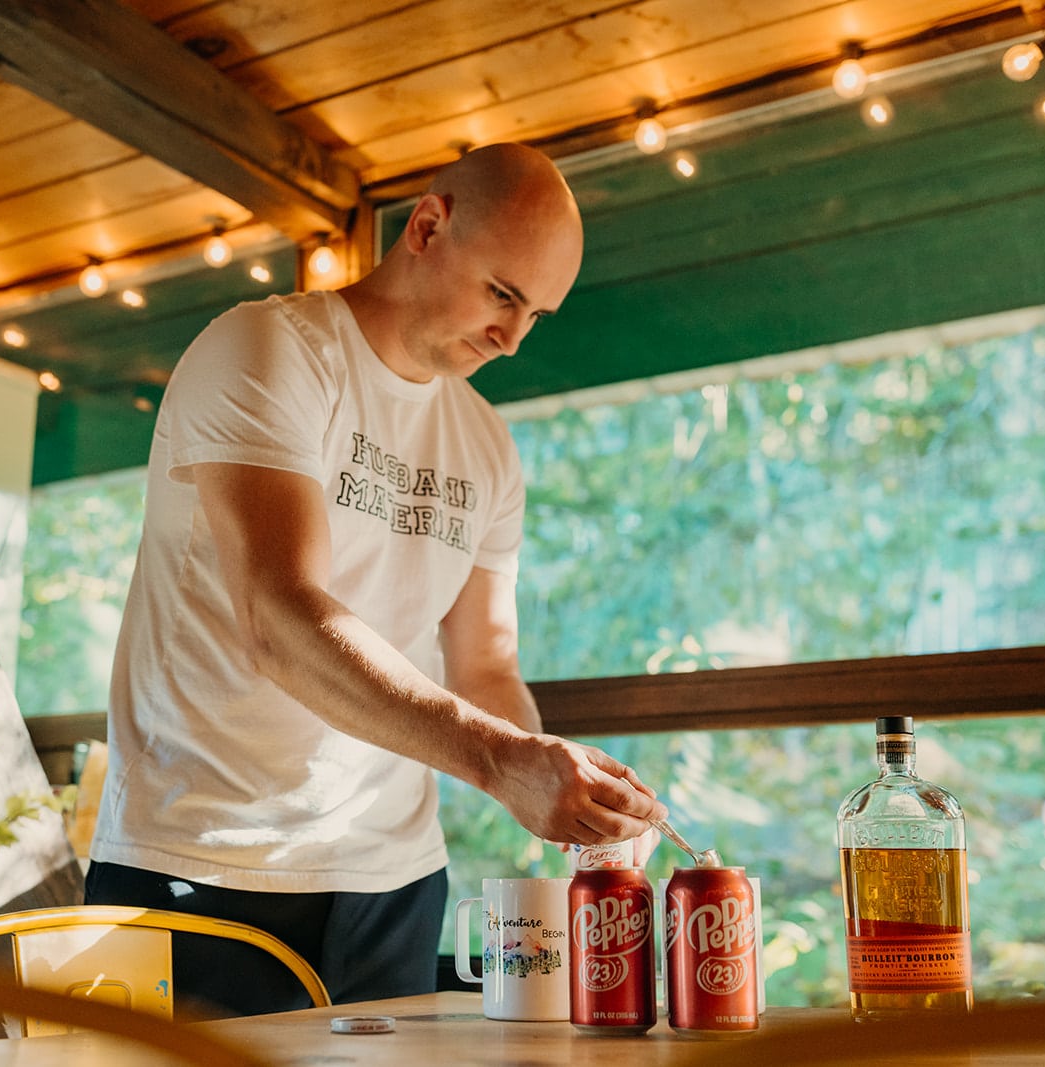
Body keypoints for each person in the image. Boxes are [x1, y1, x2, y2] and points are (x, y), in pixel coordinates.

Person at [85, 142, 666, 1016]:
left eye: (536, 315)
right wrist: (502, 761)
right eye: (502, 294)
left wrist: (570, 794)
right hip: (201, 858)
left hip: (395, 881)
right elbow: (281, 617)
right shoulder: (266, 348)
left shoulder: (488, 446)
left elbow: (485, 667)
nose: (511, 339)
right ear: (427, 226)